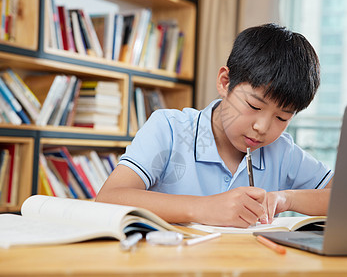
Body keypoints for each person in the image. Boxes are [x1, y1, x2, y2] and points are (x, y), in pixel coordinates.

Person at [96, 23, 333, 228]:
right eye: (254, 106)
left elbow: (346, 198)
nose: (262, 127)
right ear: (225, 82)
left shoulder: (282, 152)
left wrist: (287, 199)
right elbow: (109, 197)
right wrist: (203, 208)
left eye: (282, 118)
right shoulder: (169, 129)